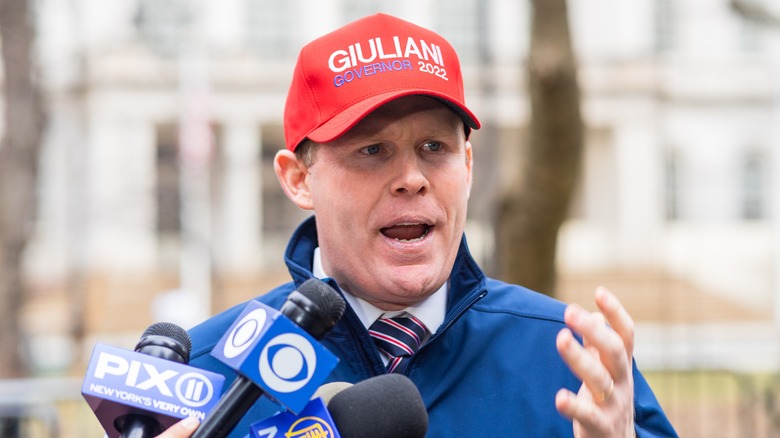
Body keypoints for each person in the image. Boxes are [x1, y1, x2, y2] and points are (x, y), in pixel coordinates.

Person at [159, 12, 677, 438]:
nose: (411, 178)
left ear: (468, 168)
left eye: (435, 148)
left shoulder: (573, 364)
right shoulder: (203, 379)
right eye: (372, 150)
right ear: (299, 179)